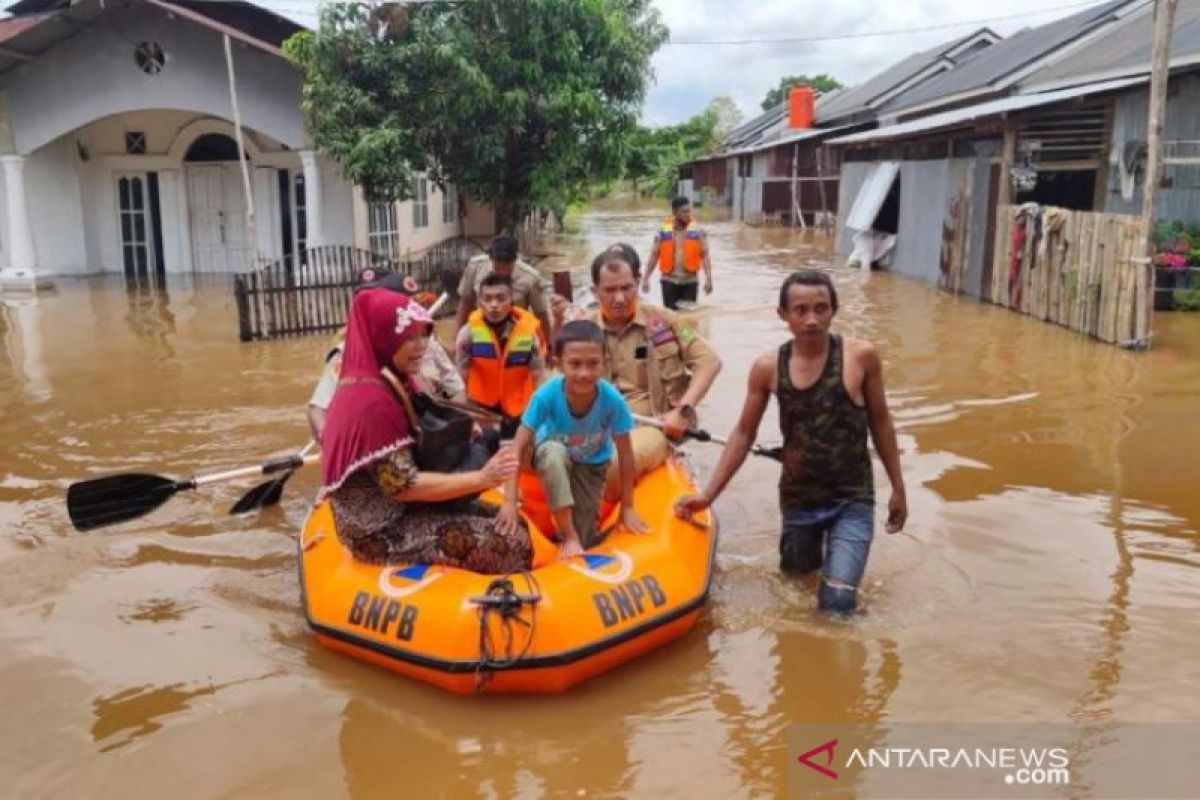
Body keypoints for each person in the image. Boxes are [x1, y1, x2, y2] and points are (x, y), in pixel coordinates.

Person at [674, 270, 907, 614]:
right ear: (783, 315)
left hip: (852, 498)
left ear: (834, 310)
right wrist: (708, 495)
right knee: (794, 587)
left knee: (837, 603)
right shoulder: (768, 368)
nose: (811, 319)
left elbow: (881, 421)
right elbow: (743, 433)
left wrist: (899, 488)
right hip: (799, 499)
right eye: (800, 310)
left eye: (821, 308)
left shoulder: (861, 358)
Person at [318, 288, 531, 573]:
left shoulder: (391, 379)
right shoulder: (371, 402)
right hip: (377, 530)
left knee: (516, 524)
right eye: (409, 338)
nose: (421, 346)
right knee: (514, 544)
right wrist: (483, 477)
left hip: (402, 510)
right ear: (384, 338)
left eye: (424, 335)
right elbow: (403, 487)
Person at [497, 320, 648, 560]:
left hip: (591, 464)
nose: (584, 373)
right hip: (548, 454)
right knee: (554, 455)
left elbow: (626, 456)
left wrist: (627, 507)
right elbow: (516, 448)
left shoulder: (613, 401)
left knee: (586, 539)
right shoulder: (546, 395)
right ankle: (567, 534)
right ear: (558, 365)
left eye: (593, 364)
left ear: (605, 364)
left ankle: (577, 535)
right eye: (575, 364)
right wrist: (509, 500)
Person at [589, 246, 722, 498]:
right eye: (609, 290)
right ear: (595, 291)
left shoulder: (667, 322)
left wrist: (684, 410)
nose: (619, 298)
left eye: (626, 288)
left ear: (638, 282)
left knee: (614, 464)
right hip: (595, 424)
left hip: (652, 425)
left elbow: (710, 362)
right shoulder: (582, 329)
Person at [308, 272, 464, 442]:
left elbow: (456, 389)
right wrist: (330, 441)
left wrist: (457, 427)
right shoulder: (348, 357)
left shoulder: (429, 343)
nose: (420, 345)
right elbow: (318, 409)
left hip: (432, 437)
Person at [454, 271, 545, 438]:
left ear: (511, 301)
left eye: (500, 298)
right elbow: (461, 377)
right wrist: (467, 418)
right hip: (482, 410)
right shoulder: (467, 334)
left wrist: (539, 417)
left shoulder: (529, 334)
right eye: (487, 299)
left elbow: (538, 376)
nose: (494, 305)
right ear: (479, 302)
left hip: (519, 409)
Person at [454, 234, 552, 339]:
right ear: (491, 259)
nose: (501, 275)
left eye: (507, 270)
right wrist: (457, 338)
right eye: (497, 268)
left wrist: (549, 348)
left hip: (514, 336)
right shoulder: (476, 266)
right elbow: (465, 303)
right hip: (481, 333)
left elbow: (541, 315)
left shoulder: (531, 278)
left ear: (515, 260)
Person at [641, 197, 713, 310]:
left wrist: (709, 279)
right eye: (684, 211)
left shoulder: (698, 232)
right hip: (669, 281)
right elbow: (654, 256)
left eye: (689, 211)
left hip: (690, 281)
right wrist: (646, 278)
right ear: (675, 212)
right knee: (670, 317)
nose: (688, 214)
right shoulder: (663, 232)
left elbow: (705, 256)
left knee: (688, 319)